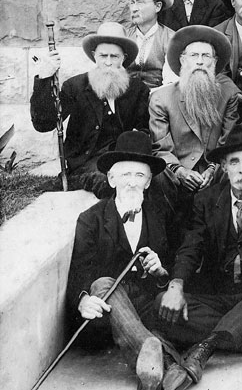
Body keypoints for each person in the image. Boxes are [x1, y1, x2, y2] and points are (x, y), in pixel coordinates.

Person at [155, 125, 242, 390]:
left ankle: (208, 346)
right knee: (162, 304)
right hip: (221, 298)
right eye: (235, 162)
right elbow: (190, 248)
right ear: (223, 166)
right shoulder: (205, 200)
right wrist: (176, 286)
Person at [66, 131, 181, 390]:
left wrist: (161, 272)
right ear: (111, 179)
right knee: (103, 283)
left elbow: (174, 267)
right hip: (105, 315)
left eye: (139, 175)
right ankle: (152, 350)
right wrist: (83, 300)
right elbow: (79, 273)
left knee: (172, 315)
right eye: (125, 174)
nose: (131, 182)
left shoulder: (160, 215)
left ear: (148, 182)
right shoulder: (91, 219)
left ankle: (152, 362)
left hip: (144, 309)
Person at [30, 22, 150, 197]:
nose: (108, 62)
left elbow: (144, 130)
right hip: (86, 163)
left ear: (124, 58)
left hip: (123, 159)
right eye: (103, 56)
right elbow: (44, 123)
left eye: (114, 56)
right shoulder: (75, 86)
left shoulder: (138, 89)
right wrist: (44, 78)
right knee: (108, 181)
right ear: (94, 56)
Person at [149, 25, 239, 237]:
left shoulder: (228, 95)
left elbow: (228, 141)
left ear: (214, 62)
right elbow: (161, 147)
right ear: (182, 60)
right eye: (194, 55)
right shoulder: (161, 98)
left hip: (215, 171)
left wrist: (213, 169)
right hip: (176, 174)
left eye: (206, 56)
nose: (199, 61)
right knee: (159, 178)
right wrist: (180, 171)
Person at [121, 0, 177, 89]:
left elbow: (171, 83)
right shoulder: (123, 36)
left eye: (140, 2)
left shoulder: (171, 39)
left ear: (158, 6)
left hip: (158, 97)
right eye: (132, 3)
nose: (134, 9)